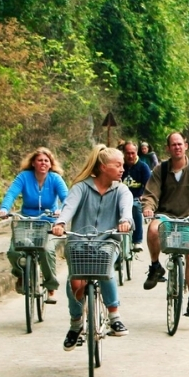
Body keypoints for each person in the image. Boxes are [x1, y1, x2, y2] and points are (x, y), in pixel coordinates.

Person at [52, 145, 133, 349]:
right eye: (118, 165)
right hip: (79, 241)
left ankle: (114, 316)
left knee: (105, 270)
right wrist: (61, 223)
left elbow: (127, 210)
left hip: (107, 241)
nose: (122, 169)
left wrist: (125, 221)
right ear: (104, 167)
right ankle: (76, 323)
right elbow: (68, 207)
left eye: (123, 165)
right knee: (75, 283)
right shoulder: (81, 187)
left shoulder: (122, 190)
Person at [140, 132, 189, 320]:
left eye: (180, 144)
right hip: (166, 216)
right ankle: (156, 266)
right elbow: (150, 194)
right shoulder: (161, 169)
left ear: (186, 146)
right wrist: (148, 208)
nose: (177, 147)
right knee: (153, 229)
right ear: (168, 148)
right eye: (173, 145)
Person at [0, 147, 68, 304]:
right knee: (14, 252)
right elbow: (11, 193)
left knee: (47, 251)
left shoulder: (55, 179)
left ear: (50, 164)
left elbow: (67, 199)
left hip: (47, 223)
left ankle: (50, 288)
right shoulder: (24, 177)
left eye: (46, 161)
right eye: (40, 160)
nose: (43, 163)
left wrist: (60, 211)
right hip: (26, 222)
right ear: (33, 163)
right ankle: (21, 275)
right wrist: (4, 209)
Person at [120, 141, 151, 253]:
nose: (130, 156)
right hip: (120, 198)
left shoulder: (143, 167)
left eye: (133, 153)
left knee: (135, 208)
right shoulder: (120, 165)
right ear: (124, 153)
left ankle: (137, 240)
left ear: (136, 153)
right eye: (128, 153)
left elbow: (149, 185)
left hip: (136, 197)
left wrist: (143, 195)